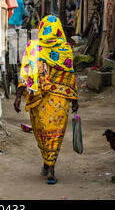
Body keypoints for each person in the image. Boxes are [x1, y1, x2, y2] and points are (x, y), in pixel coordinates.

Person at [13, 15, 79, 184]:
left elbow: (69, 74)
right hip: (55, 100)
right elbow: (70, 77)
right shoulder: (63, 48)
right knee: (50, 132)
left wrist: (19, 96)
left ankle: (50, 167)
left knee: (46, 131)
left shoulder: (36, 47)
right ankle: (48, 162)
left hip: (45, 99)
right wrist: (75, 99)